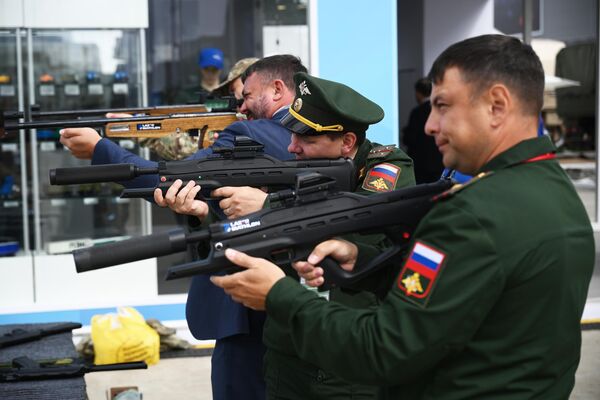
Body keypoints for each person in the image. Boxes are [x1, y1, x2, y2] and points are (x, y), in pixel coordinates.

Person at [210, 34, 595, 399]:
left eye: (442, 106)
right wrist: (368, 263)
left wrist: (279, 295)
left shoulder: (472, 215)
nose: (429, 125)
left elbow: (384, 348)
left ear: (497, 105)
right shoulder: (554, 191)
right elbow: (472, 302)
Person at [60, 54, 307, 400]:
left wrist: (101, 150)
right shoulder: (316, 137)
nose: (240, 108)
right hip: (298, 309)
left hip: (247, 312)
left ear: (278, 89)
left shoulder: (249, 134)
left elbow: (163, 178)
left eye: (246, 96)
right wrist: (205, 212)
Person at [159, 71, 415, 399]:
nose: (292, 147)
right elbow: (256, 241)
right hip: (284, 348)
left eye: (306, 139)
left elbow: (358, 225)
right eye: (291, 135)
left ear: (347, 142)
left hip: (342, 356)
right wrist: (203, 217)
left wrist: (267, 204)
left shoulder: (385, 169)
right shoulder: (301, 168)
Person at [142, 57, 259, 161]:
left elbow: (182, 147)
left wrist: (143, 130)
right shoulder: (241, 122)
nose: (233, 98)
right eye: (231, 92)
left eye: (234, 90)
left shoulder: (256, 125)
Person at [401, 77, 443, 183]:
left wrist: (405, 132)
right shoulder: (441, 110)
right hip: (439, 163)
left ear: (418, 92)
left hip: (421, 165)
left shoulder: (417, 112)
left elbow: (410, 138)